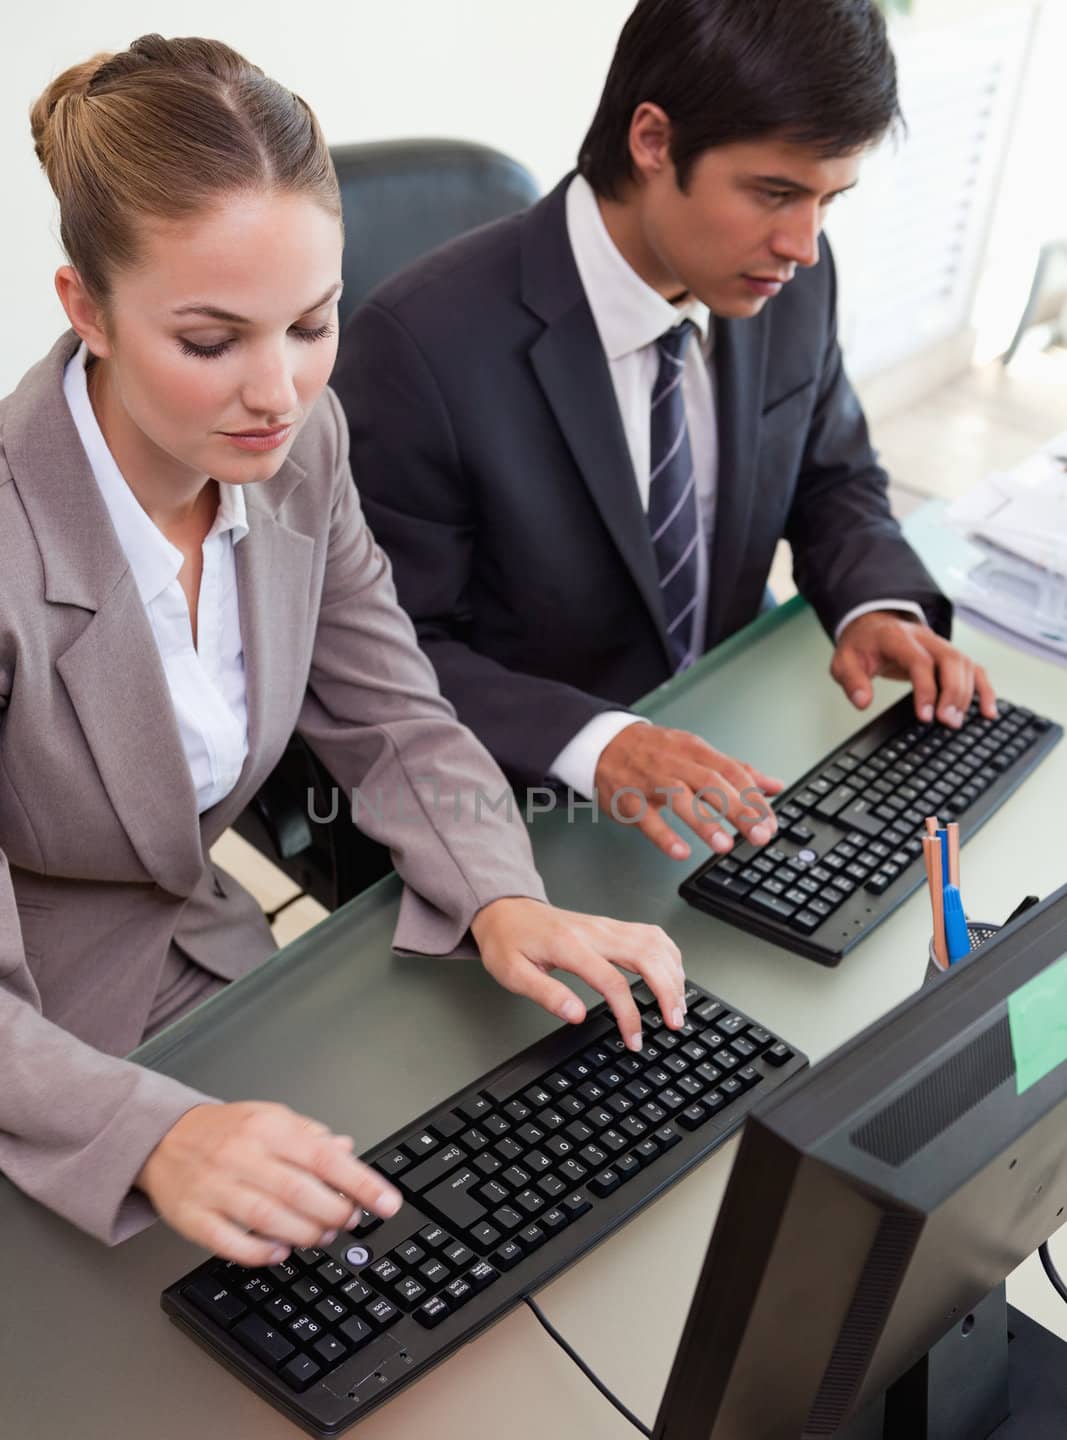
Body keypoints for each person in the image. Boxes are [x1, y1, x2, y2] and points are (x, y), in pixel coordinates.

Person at [0, 35, 686, 1266]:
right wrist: (146, 1132)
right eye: (211, 342)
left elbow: (392, 713)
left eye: (311, 323)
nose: (277, 388)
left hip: (206, 957)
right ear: (84, 310)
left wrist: (503, 892)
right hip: (33, 1046)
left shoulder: (302, 447)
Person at [333, 0, 998, 869]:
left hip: (728, 748)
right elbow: (385, 653)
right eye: (774, 193)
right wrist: (599, 741)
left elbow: (832, 477)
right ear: (652, 141)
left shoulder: (787, 279)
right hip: (530, 803)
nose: (802, 243)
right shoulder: (419, 346)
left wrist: (874, 604)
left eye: (829, 201)